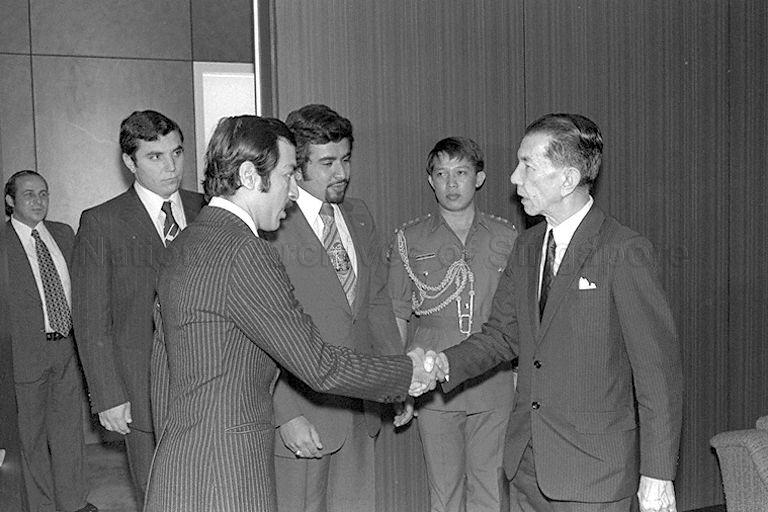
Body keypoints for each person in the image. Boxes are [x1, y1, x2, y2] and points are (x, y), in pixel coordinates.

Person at [144, 114, 438, 512]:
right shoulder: (247, 252)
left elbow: (163, 367)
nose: (294, 192)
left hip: (182, 464)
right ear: (250, 176)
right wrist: (407, 371)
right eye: (286, 176)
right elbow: (318, 365)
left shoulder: (188, 240)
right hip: (229, 472)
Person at [428, 114, 682, 512]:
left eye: (527, 165)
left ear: (567, 179)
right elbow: (502, 335)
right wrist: (441, 363)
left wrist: (658, 474)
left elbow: (658, 374)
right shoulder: (527, 247)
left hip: (594, 475)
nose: (514, 177)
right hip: (526, 467)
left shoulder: (624, 251)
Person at [260, 104, 402, 512]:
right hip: (302, 414)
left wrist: (397, 380)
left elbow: (375, 305)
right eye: (327, 163)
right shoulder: (272, 225)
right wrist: (284, 414)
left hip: (359, 408)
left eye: (345, 159)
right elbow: (262, 330)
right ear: (297, 166)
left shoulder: (358, 215)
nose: (342, 173)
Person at [71, 110, 206, 503]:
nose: (171, 166)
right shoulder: (102, 222)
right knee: (160, 496)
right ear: (130, 162)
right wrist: (108, 394)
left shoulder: (207, 208)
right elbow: (91, 318)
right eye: (155, 157)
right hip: (143, 390)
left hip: (210, 387)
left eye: (177, 153)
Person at [388, 136, 518, 512]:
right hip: (433, 381)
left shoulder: (507, 238)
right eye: (441, 173)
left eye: (461, 172)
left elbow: (522, 320)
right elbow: (398, 314)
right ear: (430, 180)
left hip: (493, 381)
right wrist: (401, 386)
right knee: (443, 493)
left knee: (491, 490)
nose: (451, 184)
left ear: (479, 178)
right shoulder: (408, 240)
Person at [2, 170, 97, 512]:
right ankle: (40, 506)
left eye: (43, 193)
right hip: (25, 353)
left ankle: (73, 503)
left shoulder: (62, 233)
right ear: (10, 201)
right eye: (29, 194)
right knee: (31, 438)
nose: (39, 201)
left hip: (66, 348)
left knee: (69, 433)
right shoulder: (3, 243)